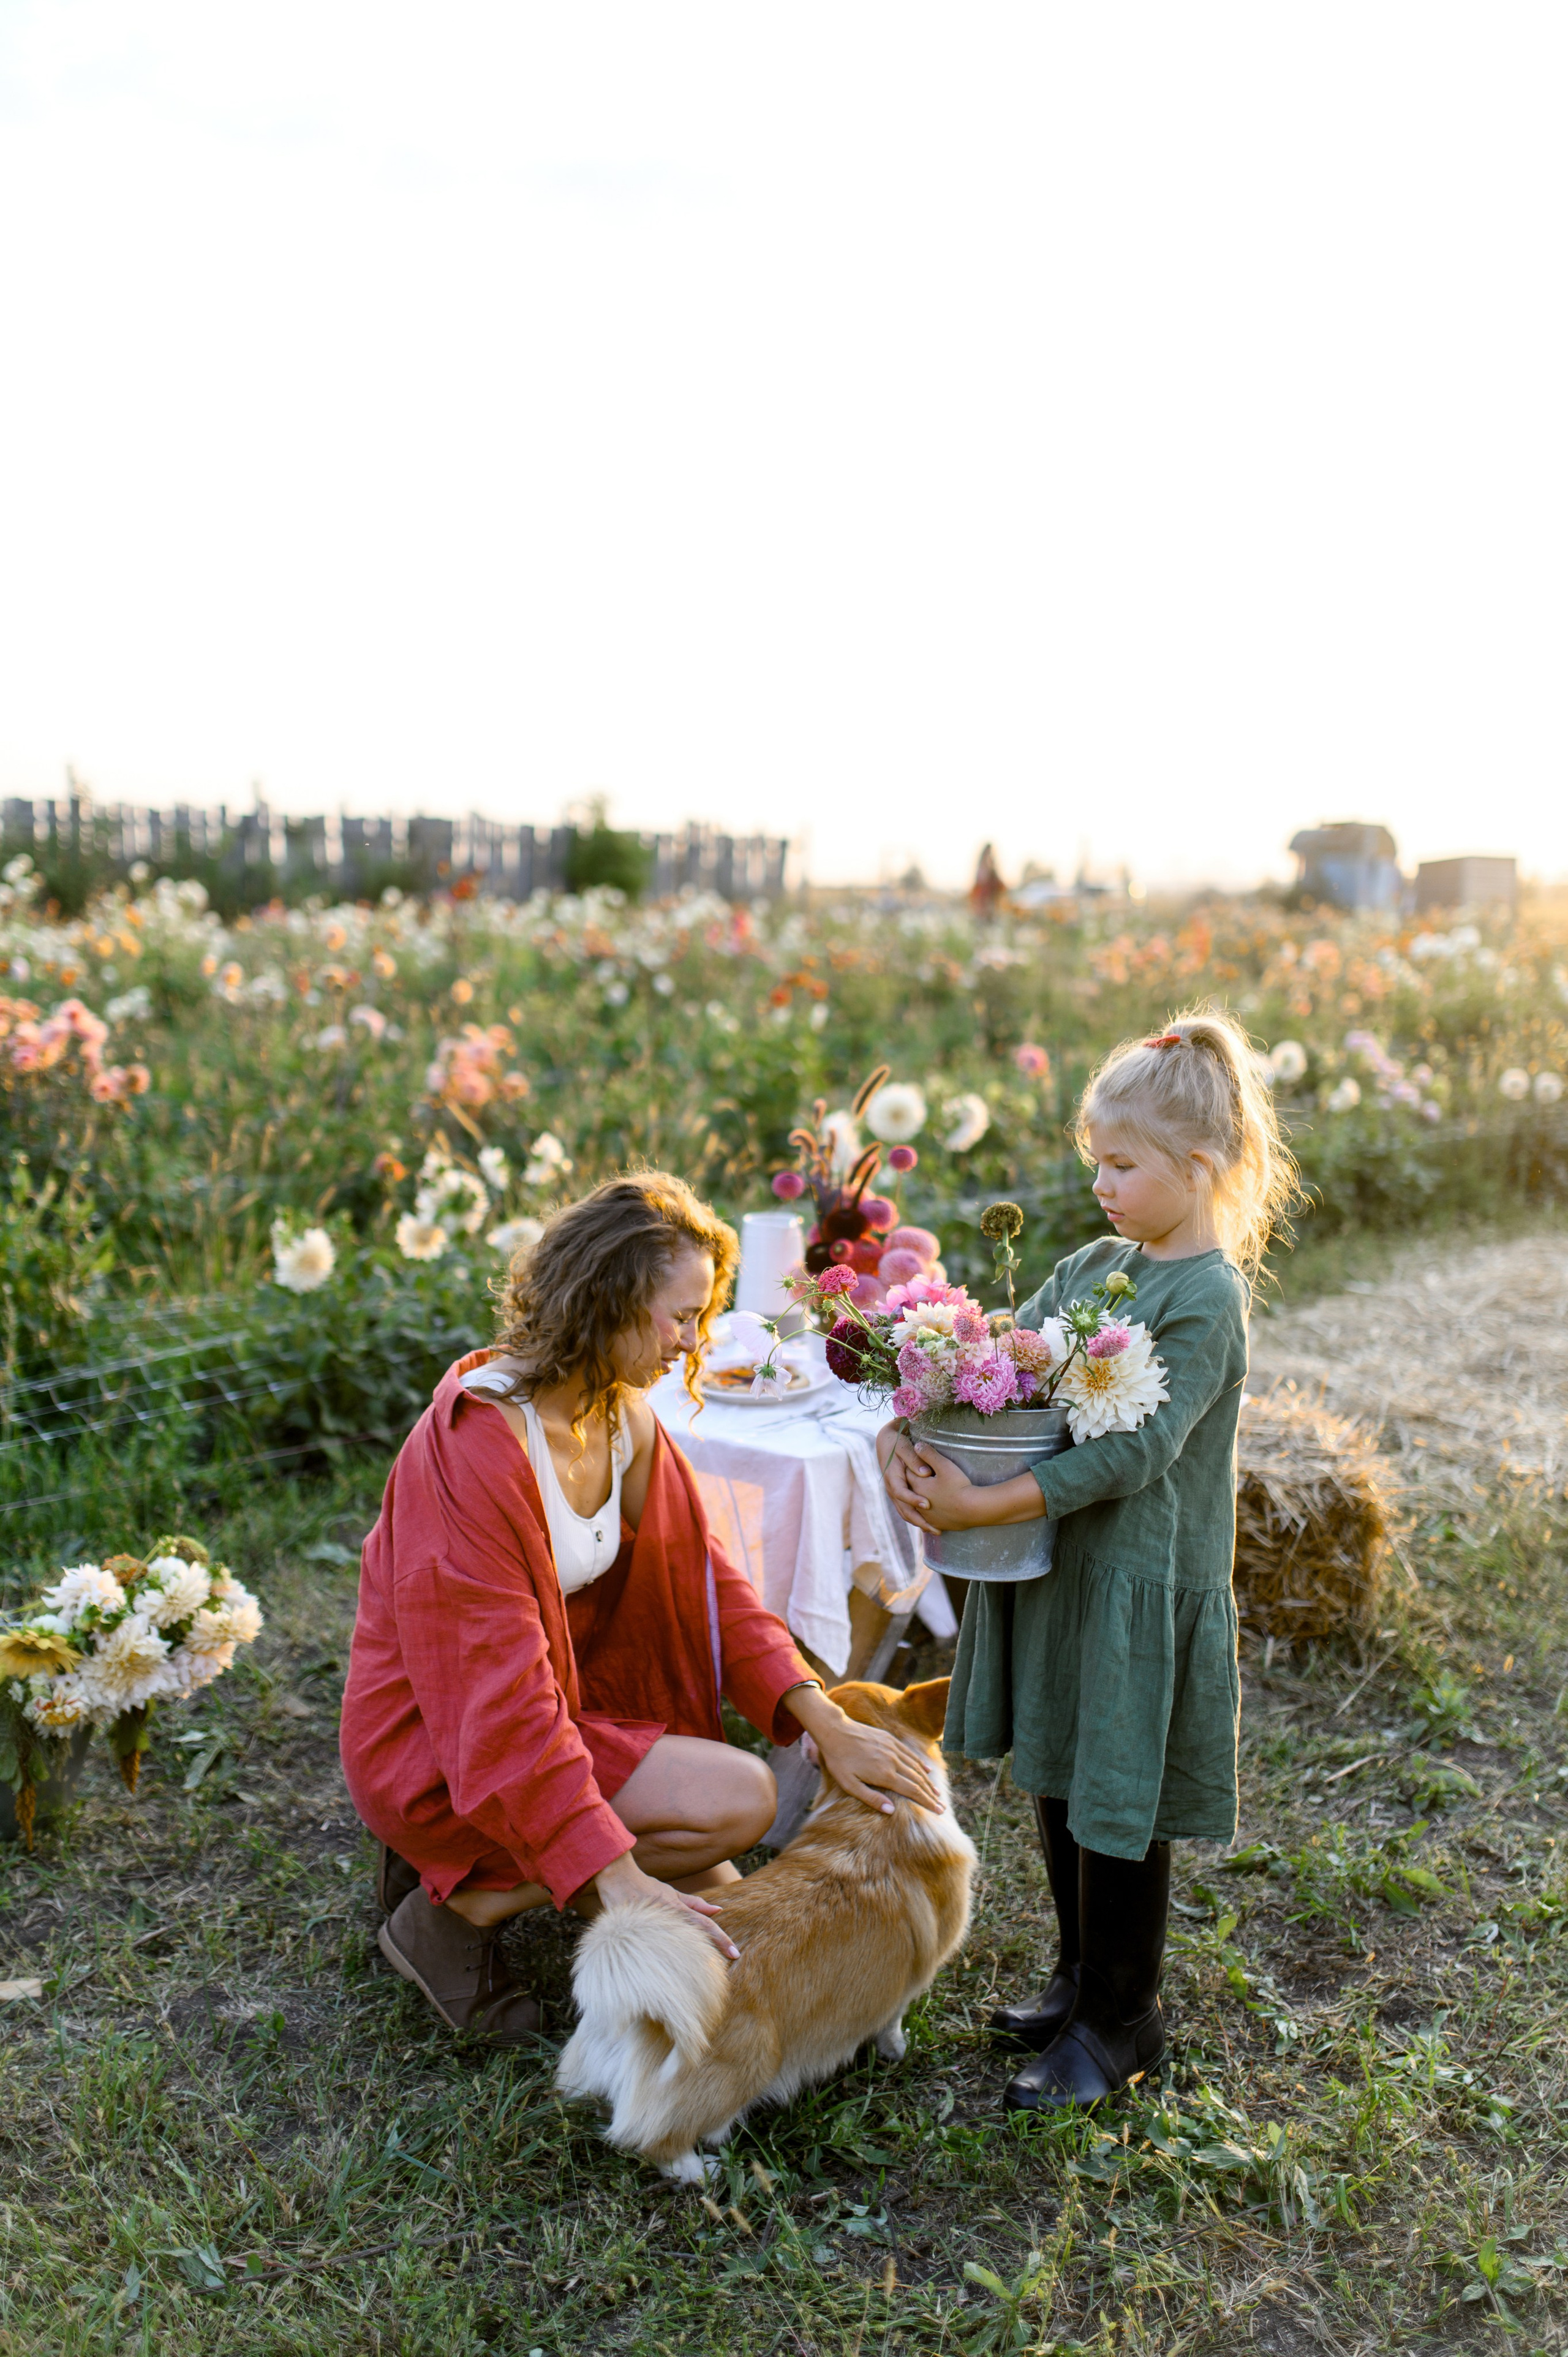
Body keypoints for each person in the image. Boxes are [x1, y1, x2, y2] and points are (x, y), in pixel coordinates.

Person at [342, 1170, 939, 2042]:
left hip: (557, 1705)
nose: (691, 1342)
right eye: (679, 1317)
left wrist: (826, 1719)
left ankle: (489, 1865)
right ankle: (456, 1909)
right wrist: (618, 1880)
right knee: (738, 1802)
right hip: (440, 1744)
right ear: (606, 1303)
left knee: (728, 1934)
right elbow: (494, 1701)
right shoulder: (476, 1449)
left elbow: (711, 1588)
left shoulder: (622, 1416)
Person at [879, 1009, 1297, 2110]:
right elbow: (999, 1362)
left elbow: (1135, 1453)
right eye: (1095, 1161)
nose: (1101, 1183)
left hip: (1140, 1581)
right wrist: (908, 1422)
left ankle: (1124, 2017)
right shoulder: (1092, 1267)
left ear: (1198, 1167)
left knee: (1118, 1797)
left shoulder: (1207, 1298)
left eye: (1123, 1165)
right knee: (1063, 1770)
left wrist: (983, 1505)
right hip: (1066, 1572)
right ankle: (1076, 1979)